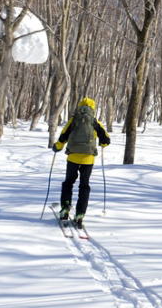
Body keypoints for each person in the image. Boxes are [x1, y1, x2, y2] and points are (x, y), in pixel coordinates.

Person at [52, 97, 110, 228]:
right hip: (88, 160)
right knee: (84, 186)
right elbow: (106, 139)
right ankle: (80, 214)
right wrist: (102, 143)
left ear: (79, 107)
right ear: (93, 108)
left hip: (72, 158)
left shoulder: (73, 120)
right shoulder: (95, 122)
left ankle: (65, 208)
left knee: (68, 183)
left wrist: (58, 147)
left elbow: (63, 136)